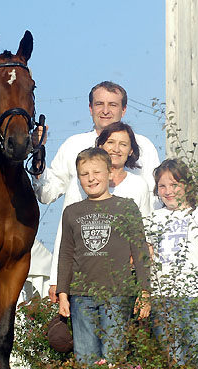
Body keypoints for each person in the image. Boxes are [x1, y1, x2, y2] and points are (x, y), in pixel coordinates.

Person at [32, 81, 160, 301]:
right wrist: (37, 154)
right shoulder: (74, 145)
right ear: (90, 108)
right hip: (83, 269)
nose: (106, 110)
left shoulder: (144, 147)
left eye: (113, 104)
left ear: (124, 109)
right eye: (99, 104)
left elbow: (154, 207)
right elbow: (46, 194)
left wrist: (145, 262)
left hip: (128, 267)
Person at [57, 147, 150, 364]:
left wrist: (145, 291)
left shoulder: (125, 207)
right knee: (86, 358)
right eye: (84, 174)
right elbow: (66, 254)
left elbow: (140, 250)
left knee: (114, 358)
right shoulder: (72, 212)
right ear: (79, 178)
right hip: (81, 295)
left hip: (117, 294)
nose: (91, 179)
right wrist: (63, 293)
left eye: (96, 172)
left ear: (109, 173)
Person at [145, 158, 198, 366]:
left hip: (196, 297)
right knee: (173, 360)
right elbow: (148, 261)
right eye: (162, 186)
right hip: (163, 299)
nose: (168, 191)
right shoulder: (153, 218)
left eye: (174, 185)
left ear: (186, 185)